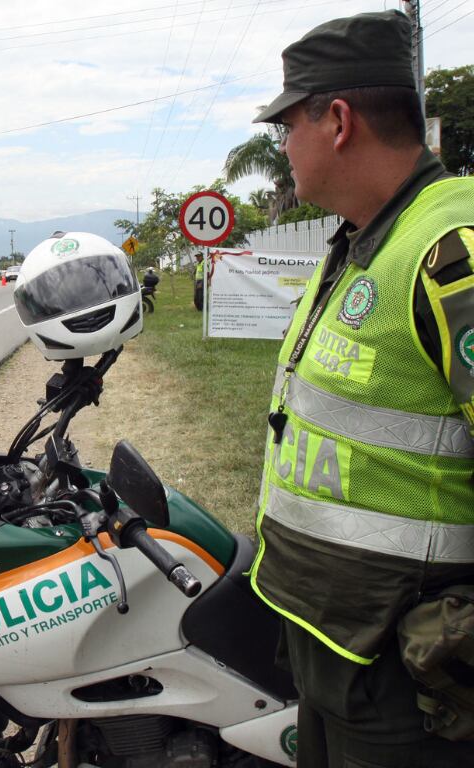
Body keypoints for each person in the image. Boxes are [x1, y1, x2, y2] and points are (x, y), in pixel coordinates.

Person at [248, 10, 474, 767]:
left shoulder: (450, 251)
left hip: (415, 678)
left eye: (287, 125)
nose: (283, 146)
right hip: (336, 649)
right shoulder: (359, 241)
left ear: (337, 120)